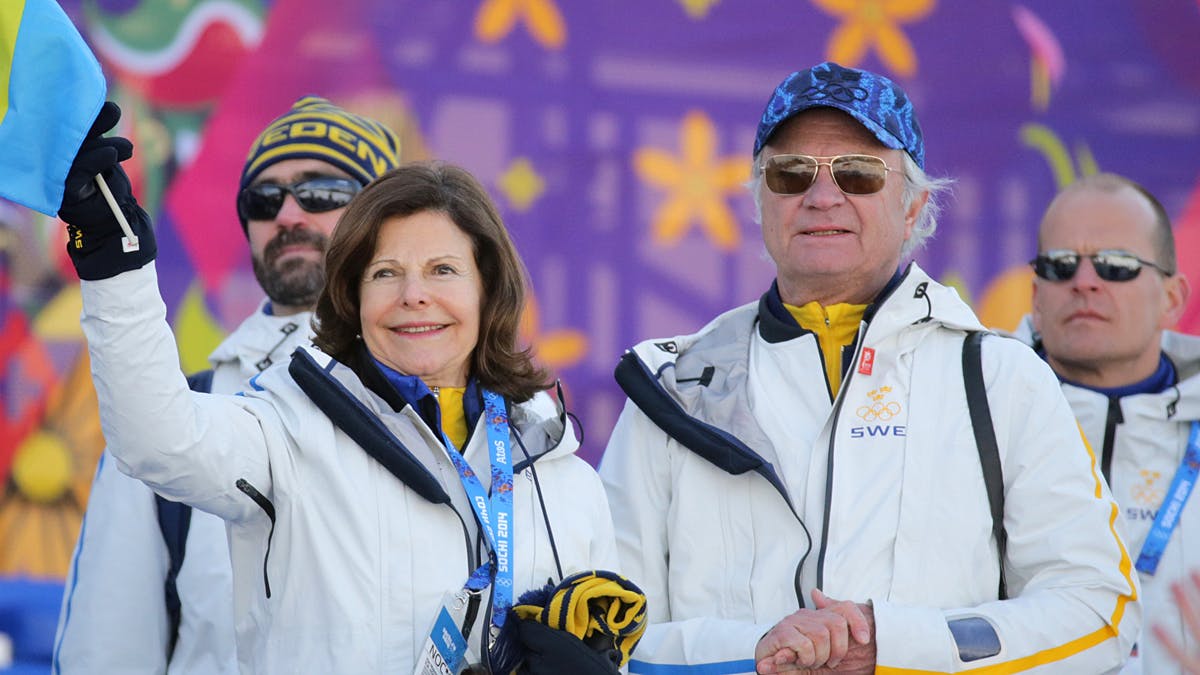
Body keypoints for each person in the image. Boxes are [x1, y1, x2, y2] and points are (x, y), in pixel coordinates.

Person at [599, 61, 1141, 674]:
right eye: (790, 173)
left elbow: (1100, 611)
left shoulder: (1002, 378)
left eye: (859, 174)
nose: (821, 196)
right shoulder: (670, 389)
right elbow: (603, 627)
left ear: (913, 208)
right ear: (761, 200)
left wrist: (896, 648)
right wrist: (751, 654)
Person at [55, 101, 625, 672]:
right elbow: (157, 441)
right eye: (385, 273)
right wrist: (115, 266)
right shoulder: (279, 429)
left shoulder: (561, 474)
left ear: (488, 289)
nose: (414, 295)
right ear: (354, 294)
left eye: (443, 270)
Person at [53, 95, 403, 674]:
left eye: (322, 194)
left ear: (386, 225)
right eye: (265, 200)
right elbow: (106, 652)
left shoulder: (464, 411)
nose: (289, 214)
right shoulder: (165, 414)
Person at [1017, 173, 1195, 674]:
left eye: (1117, 266)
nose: (1085, 281)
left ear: (1173, 299)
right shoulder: (970, 422)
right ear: (1036, 296)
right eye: (1061, 265)